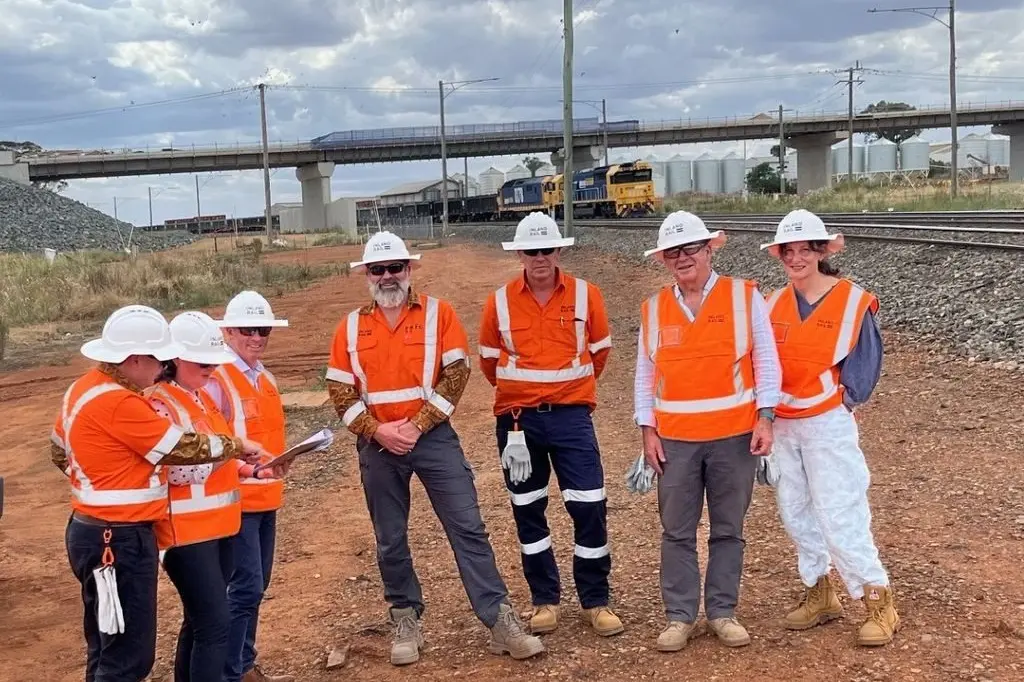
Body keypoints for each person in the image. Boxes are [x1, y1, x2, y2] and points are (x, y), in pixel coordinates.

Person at [325, 231, 545, 666]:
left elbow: (456, 375)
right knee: (390, 538)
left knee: (468, 527)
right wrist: (377, 431)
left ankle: (499, 617)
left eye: (395, 268)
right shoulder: (350, 327)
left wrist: (418, 424)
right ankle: (405, 616)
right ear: (366, 274)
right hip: (378, 444)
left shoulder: (438, 315)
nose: (388, 276)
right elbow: (339, 391)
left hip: (433, 437)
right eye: (378, 269)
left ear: (410, 270)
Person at [49, 304, 265, 682]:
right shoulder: (120, 402)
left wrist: (96, 483)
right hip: (116, 537)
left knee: (107, 645)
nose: (161, 368)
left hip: (95, 530)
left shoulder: (82, 389)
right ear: (134, 359)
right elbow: (179, 448)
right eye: (157, 359)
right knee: (127, 658)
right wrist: (236, 445)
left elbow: (58, 451)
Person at [634, 211, 782, 651]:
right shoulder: (654, 308)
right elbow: (645, 376)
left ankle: (722, 612)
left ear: (710, 250)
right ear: (663, 259)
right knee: (676, 530)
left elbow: (767, 361)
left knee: (727, 528)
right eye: (673, 252)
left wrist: (765, 417)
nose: (683, 258)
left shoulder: (745, 297)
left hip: (734, 437)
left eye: (691, 249)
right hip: (675, 439)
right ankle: (679, 616)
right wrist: (648, 430)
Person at [478, 212, 622, 638]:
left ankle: (595, 601)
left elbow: (599, 354)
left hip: (572, 419)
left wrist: (566, 393)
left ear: (560, 250)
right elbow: (489, 362)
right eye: (531, 251)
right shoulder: (499, 301)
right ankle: (544, 600)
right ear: (519, 254)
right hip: (518, 424)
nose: (540, 258)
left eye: (547, 249)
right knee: (528, 511)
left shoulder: (586, 295)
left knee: (589, 505)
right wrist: (523, 397)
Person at [760, 209, 898, 647]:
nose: (796, 258)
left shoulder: (853, 301)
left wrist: (843, 402)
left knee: (840, 510)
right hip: (784, 424)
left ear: (821, 252)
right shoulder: (774, 303)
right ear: (780, 254)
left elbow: (865, 365)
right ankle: (820, 591)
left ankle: (878, 599)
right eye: (789, 250)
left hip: (826, 422)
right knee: (796, 509)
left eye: (806, 249)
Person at [146, 311, 288, 682]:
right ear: (175, 359)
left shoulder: (198, 400)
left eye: (214, 362)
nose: (211, 369)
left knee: (199, 623)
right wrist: (230, 449)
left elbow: (220, 459)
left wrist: (252, 468)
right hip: (185, 534)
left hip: (216, 528)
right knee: (214, 625)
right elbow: (177, 468)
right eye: (203, 363)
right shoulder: (161, 404)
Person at [206, 291, 294, 682]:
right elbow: (208, 443)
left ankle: (244, 662)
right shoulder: (216, 380)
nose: (257, 337)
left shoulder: (265, 377)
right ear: (227, 331)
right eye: (248, 330)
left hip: (265, 498)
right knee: (243, 590)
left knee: (255, 588)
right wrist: (247, 470)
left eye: (264, 331)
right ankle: (232, 670)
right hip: (235, 503)